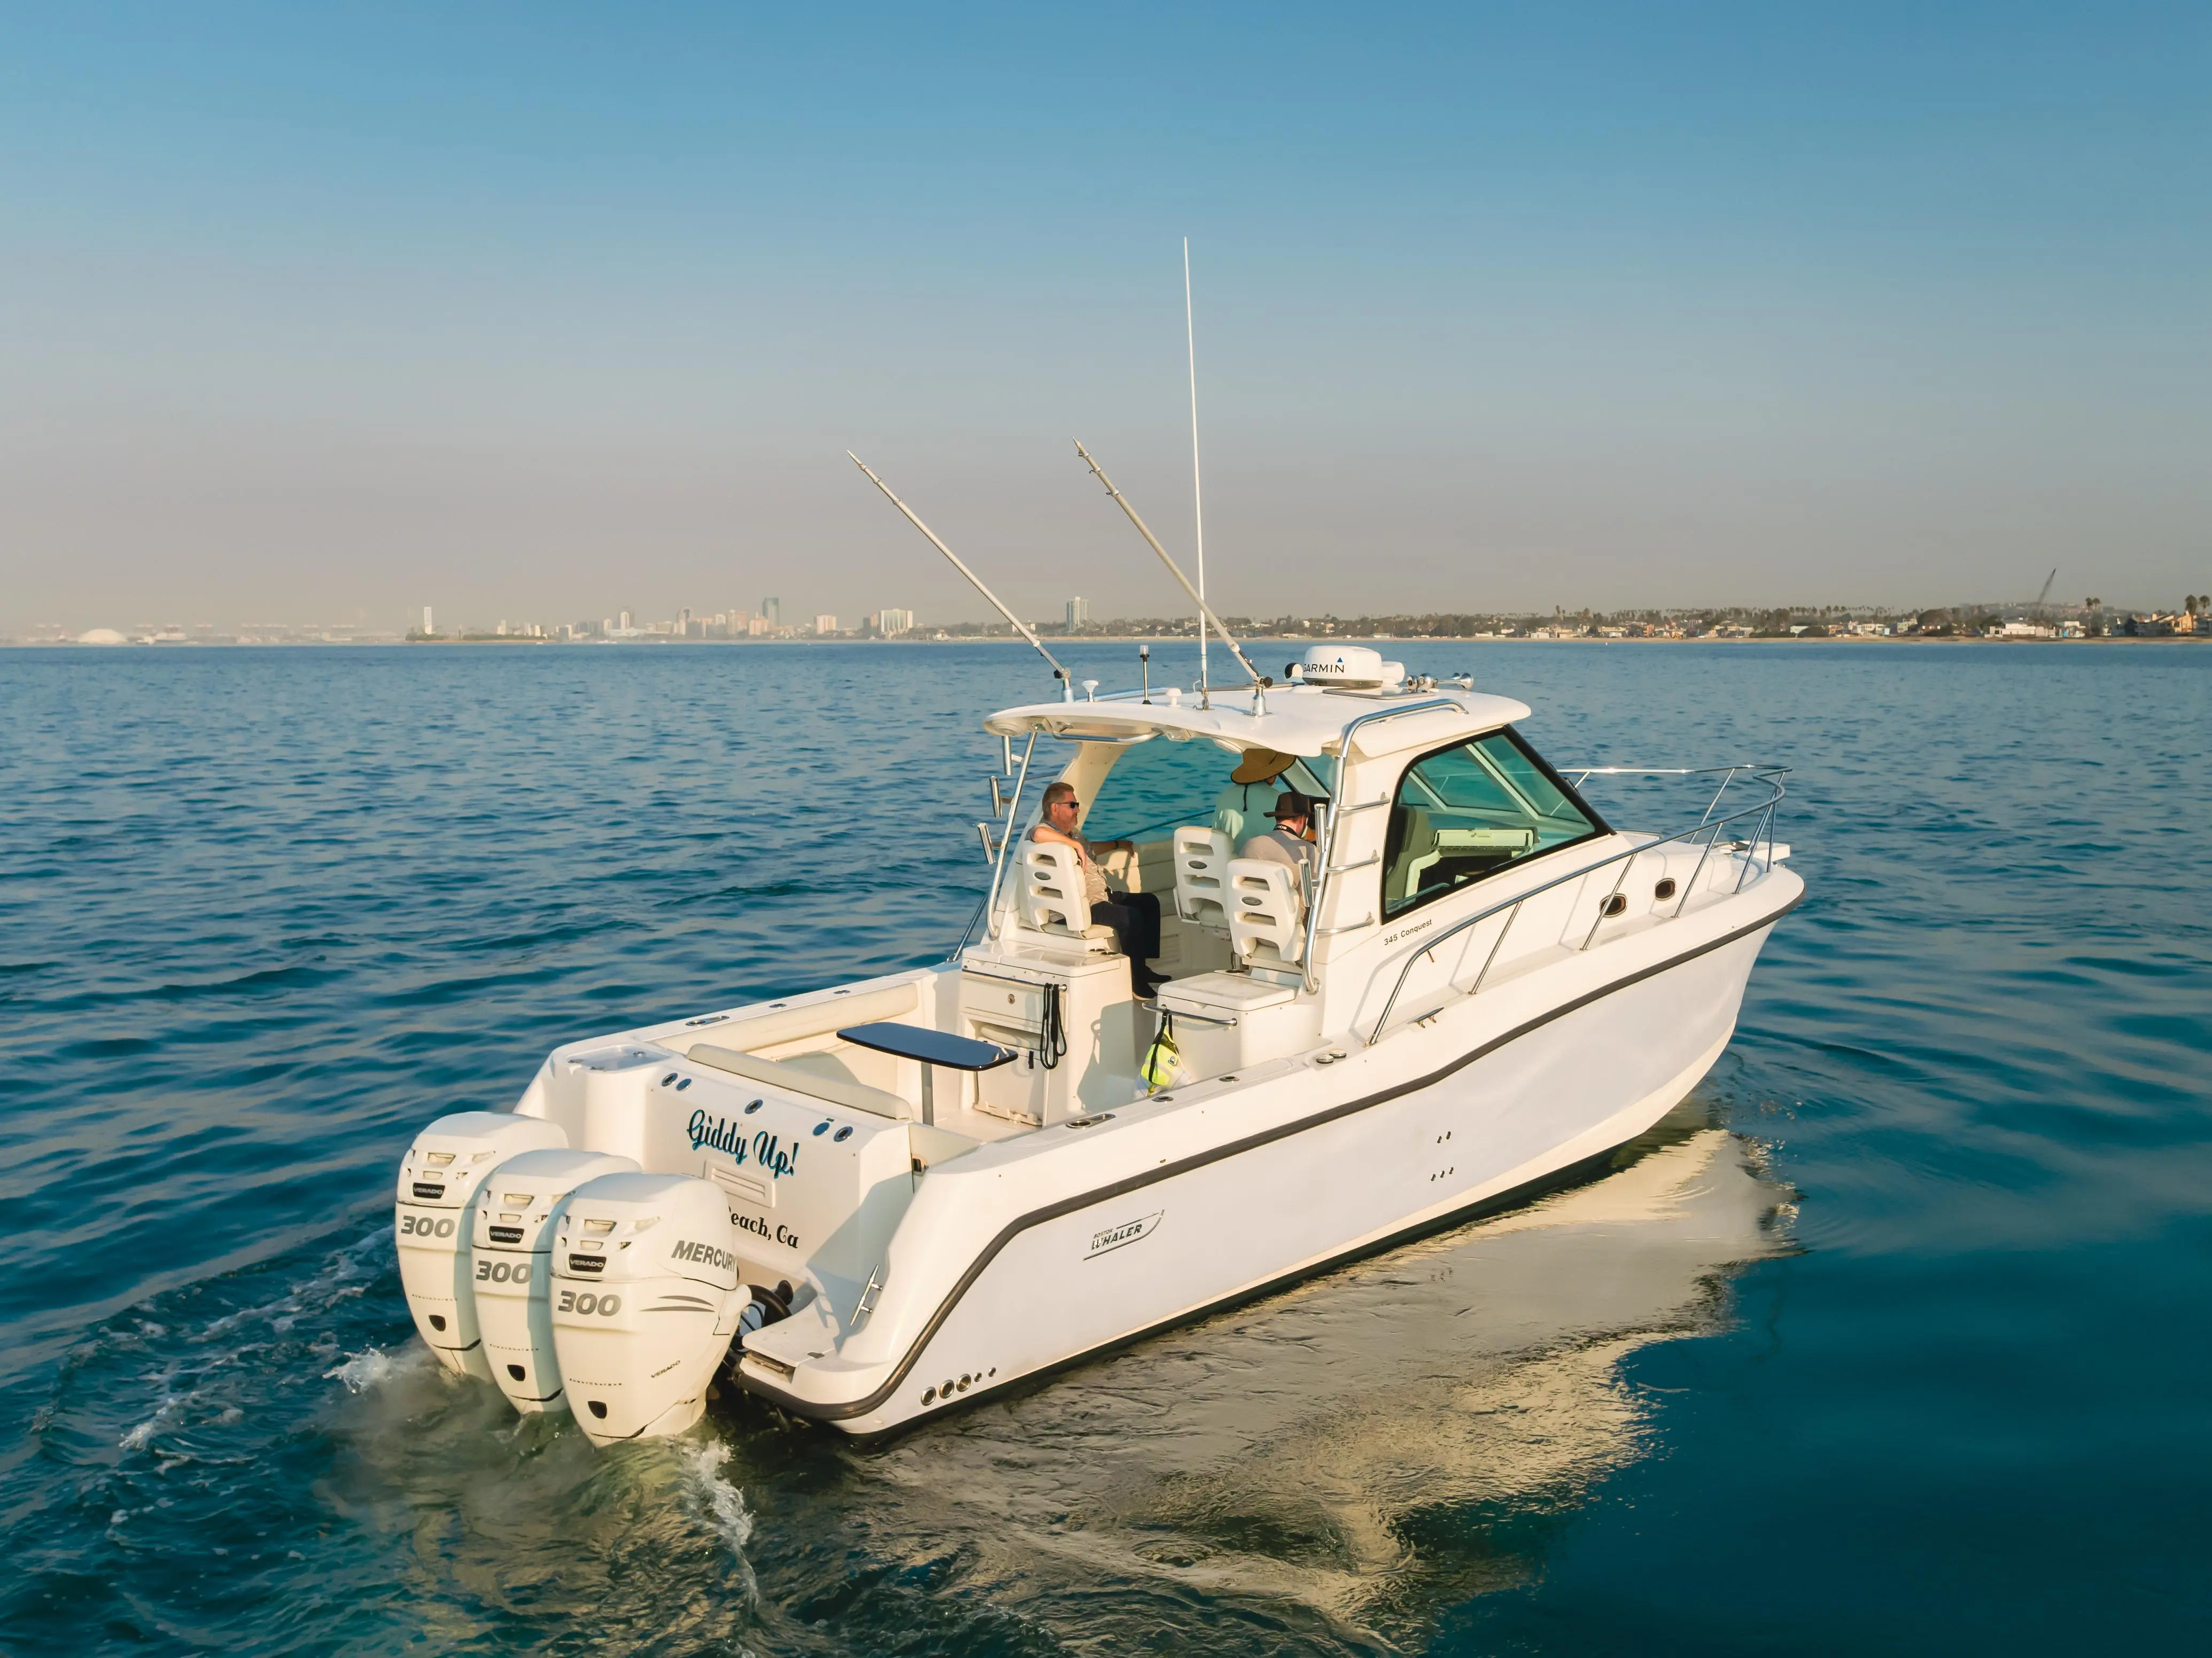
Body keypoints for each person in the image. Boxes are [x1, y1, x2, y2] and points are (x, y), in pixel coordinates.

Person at [1030, 780, 1167, 996]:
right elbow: (1037, 834)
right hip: (1080, 906)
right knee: (1130, 917)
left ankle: (1143, 968)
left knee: (1149, 902)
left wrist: (1117, 844)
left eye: (1077, 804)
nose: (1078, 809)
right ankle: (1137, 983)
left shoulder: (1073, 834)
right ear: (1055, 808)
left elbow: (1090, 849)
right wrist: (1075, 846)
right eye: (1072, 805)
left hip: (1100, 897)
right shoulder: (1047, 832)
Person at [1213, 749, 1294, 850]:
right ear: (1270, 776)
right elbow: (1294, 836)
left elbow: (1216, 835)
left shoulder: (1224, 797)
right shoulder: (1281, 800)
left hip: (1232, 865)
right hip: (1269, 864)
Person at [1241, 789, 1320, 893]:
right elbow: (1316, 893)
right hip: (1292, 909)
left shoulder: (1250, 844)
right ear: (1303, 819)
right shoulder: (1310, 851)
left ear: (1276, 817)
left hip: (1253, 908)